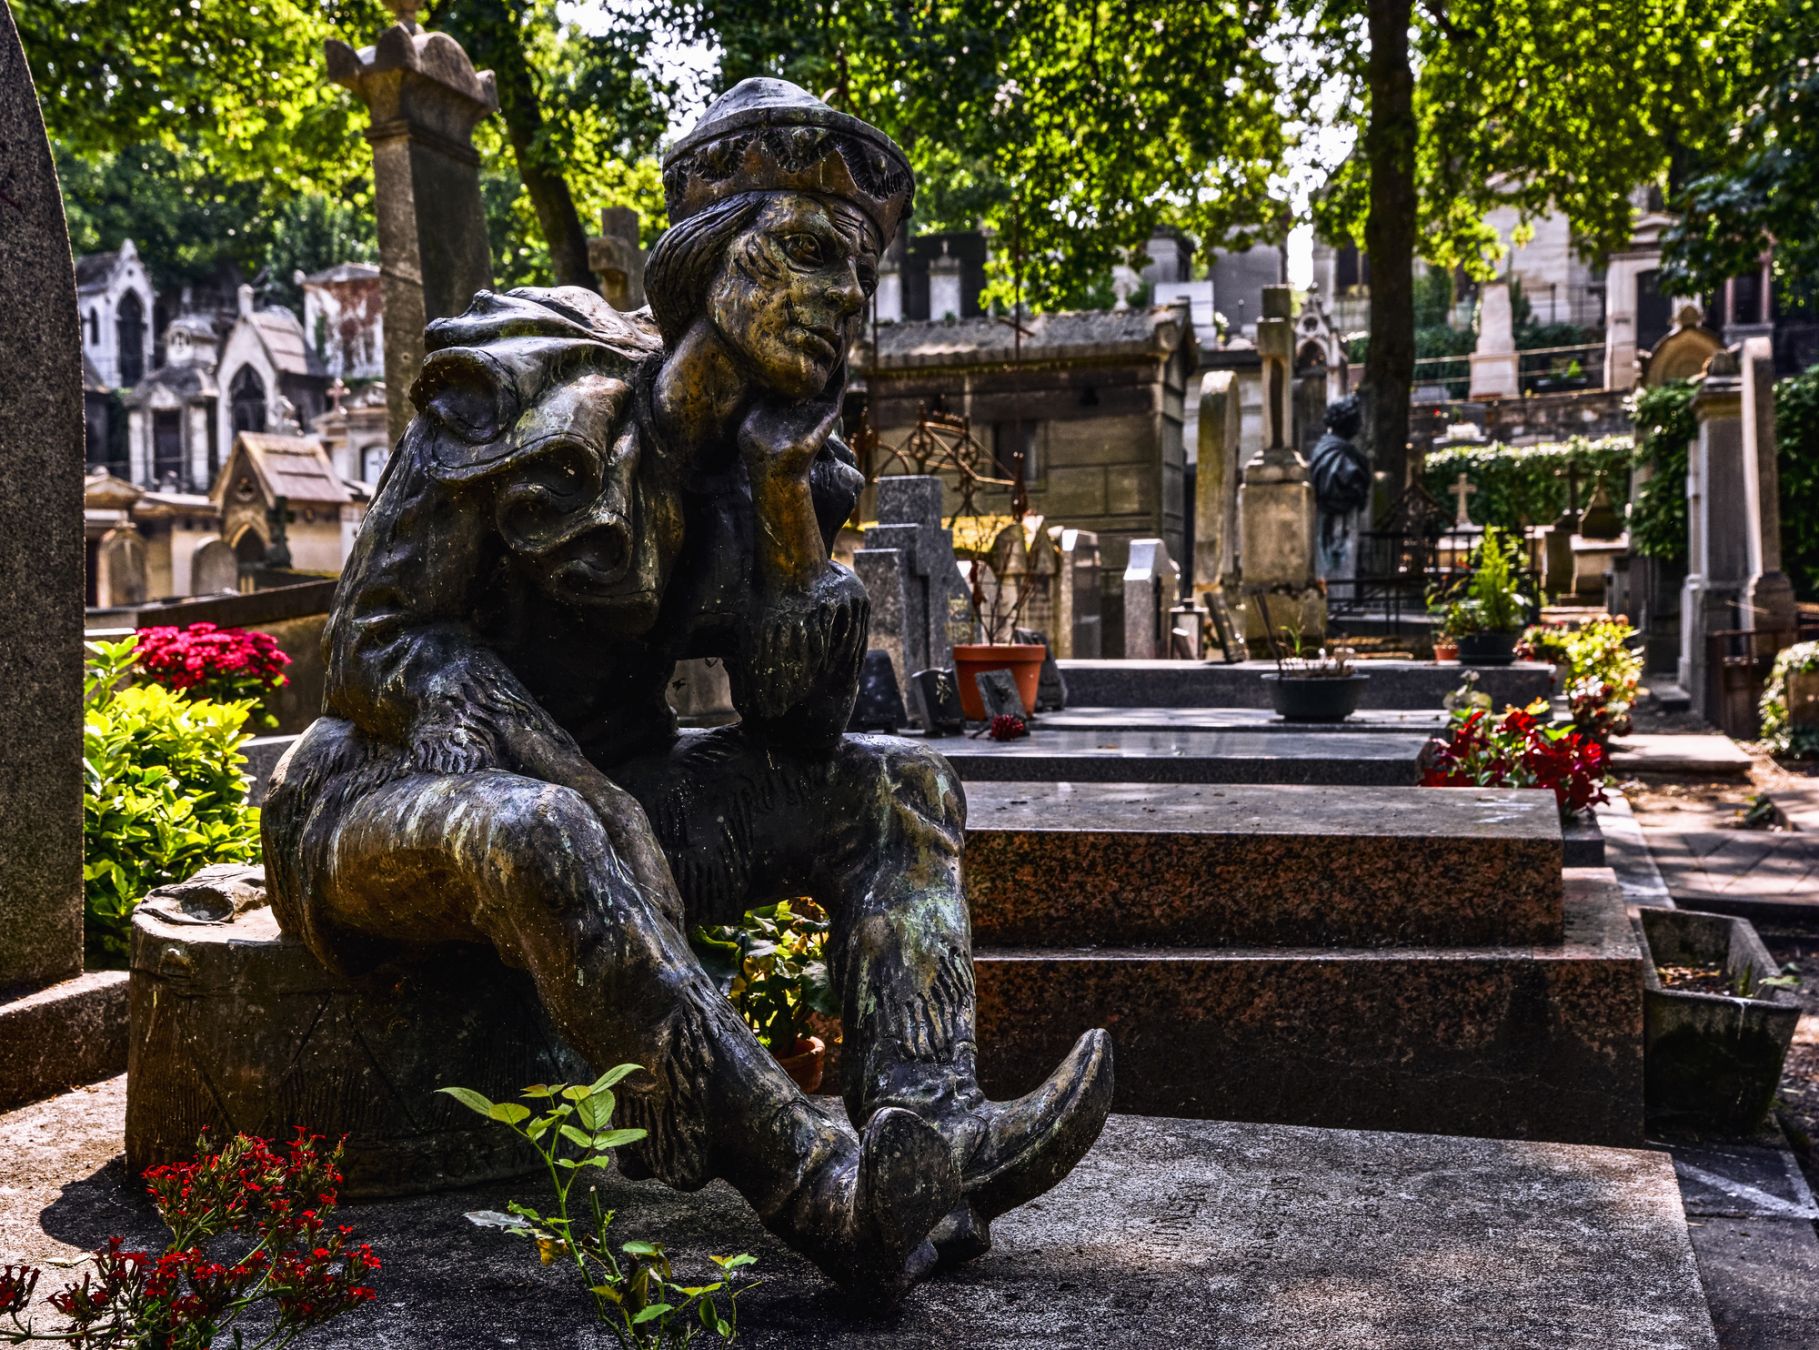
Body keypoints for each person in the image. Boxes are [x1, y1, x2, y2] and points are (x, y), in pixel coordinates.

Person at [262, 78, 1111, 1303]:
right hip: (387, 804)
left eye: (860, 280)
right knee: (544, 830)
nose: (840, 305)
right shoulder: (521, 392)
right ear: (710, 257)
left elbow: (799, 730)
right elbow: (374, 646)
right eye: (809, 257)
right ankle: (821, 1188)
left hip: (617, 813)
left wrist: (777, 509)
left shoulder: (782, 462)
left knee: (900, 784)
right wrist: (578, 784)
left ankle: (934, 1133)